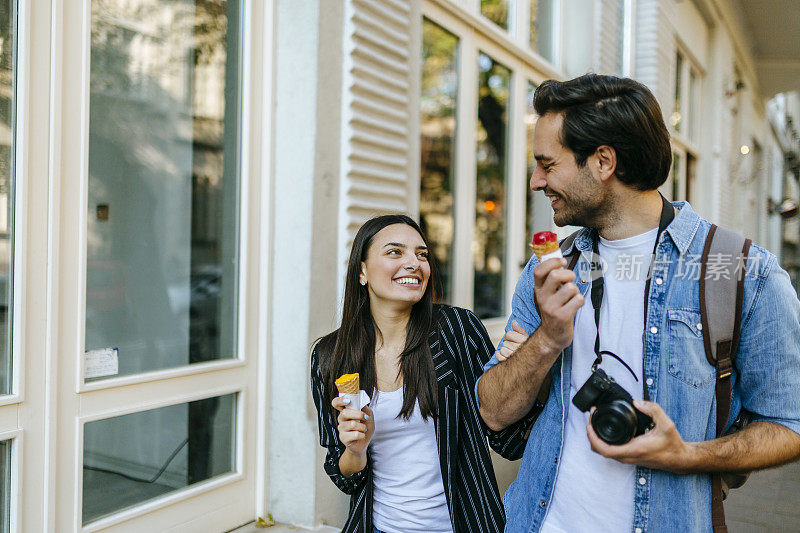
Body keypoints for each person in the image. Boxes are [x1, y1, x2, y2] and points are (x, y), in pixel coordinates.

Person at [477, 74, 800, 532]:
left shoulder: (745, 273)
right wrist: (547, 339)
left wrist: (687, 456)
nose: (536, 181)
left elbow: (789, 424)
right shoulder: (548, 269)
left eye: (547, 164)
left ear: (604, 161)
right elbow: (493, 411)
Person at [310, 214, 525, 533]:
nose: (414, 262)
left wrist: (520, 370)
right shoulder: (331, 357)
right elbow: (344, 477)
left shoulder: (457, 330)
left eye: (421, 254)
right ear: (362, 271)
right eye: (395, 252)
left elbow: (508, 440)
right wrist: (355, 450)